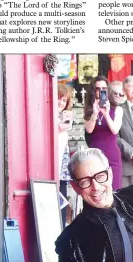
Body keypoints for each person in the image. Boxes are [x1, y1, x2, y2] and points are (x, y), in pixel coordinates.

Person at [84, 75, 123, 190]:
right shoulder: (89, 109)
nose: (101, 91)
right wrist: (95, 114)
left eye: (104, 89)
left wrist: (106, 114)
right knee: (96, 188)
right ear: (93, 91)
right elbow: (89, 129)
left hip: (111, 153)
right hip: (95, 154)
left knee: (114, 189)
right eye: (97, 88)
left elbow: (115, 130)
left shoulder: (117, 109)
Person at [56, 84, 74, 228]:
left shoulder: (61, 118)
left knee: (62, 202)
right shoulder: (48, 118)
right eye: (58, 99)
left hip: (61, 171)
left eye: (64, 100)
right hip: (51, 169)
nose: (61, 103)